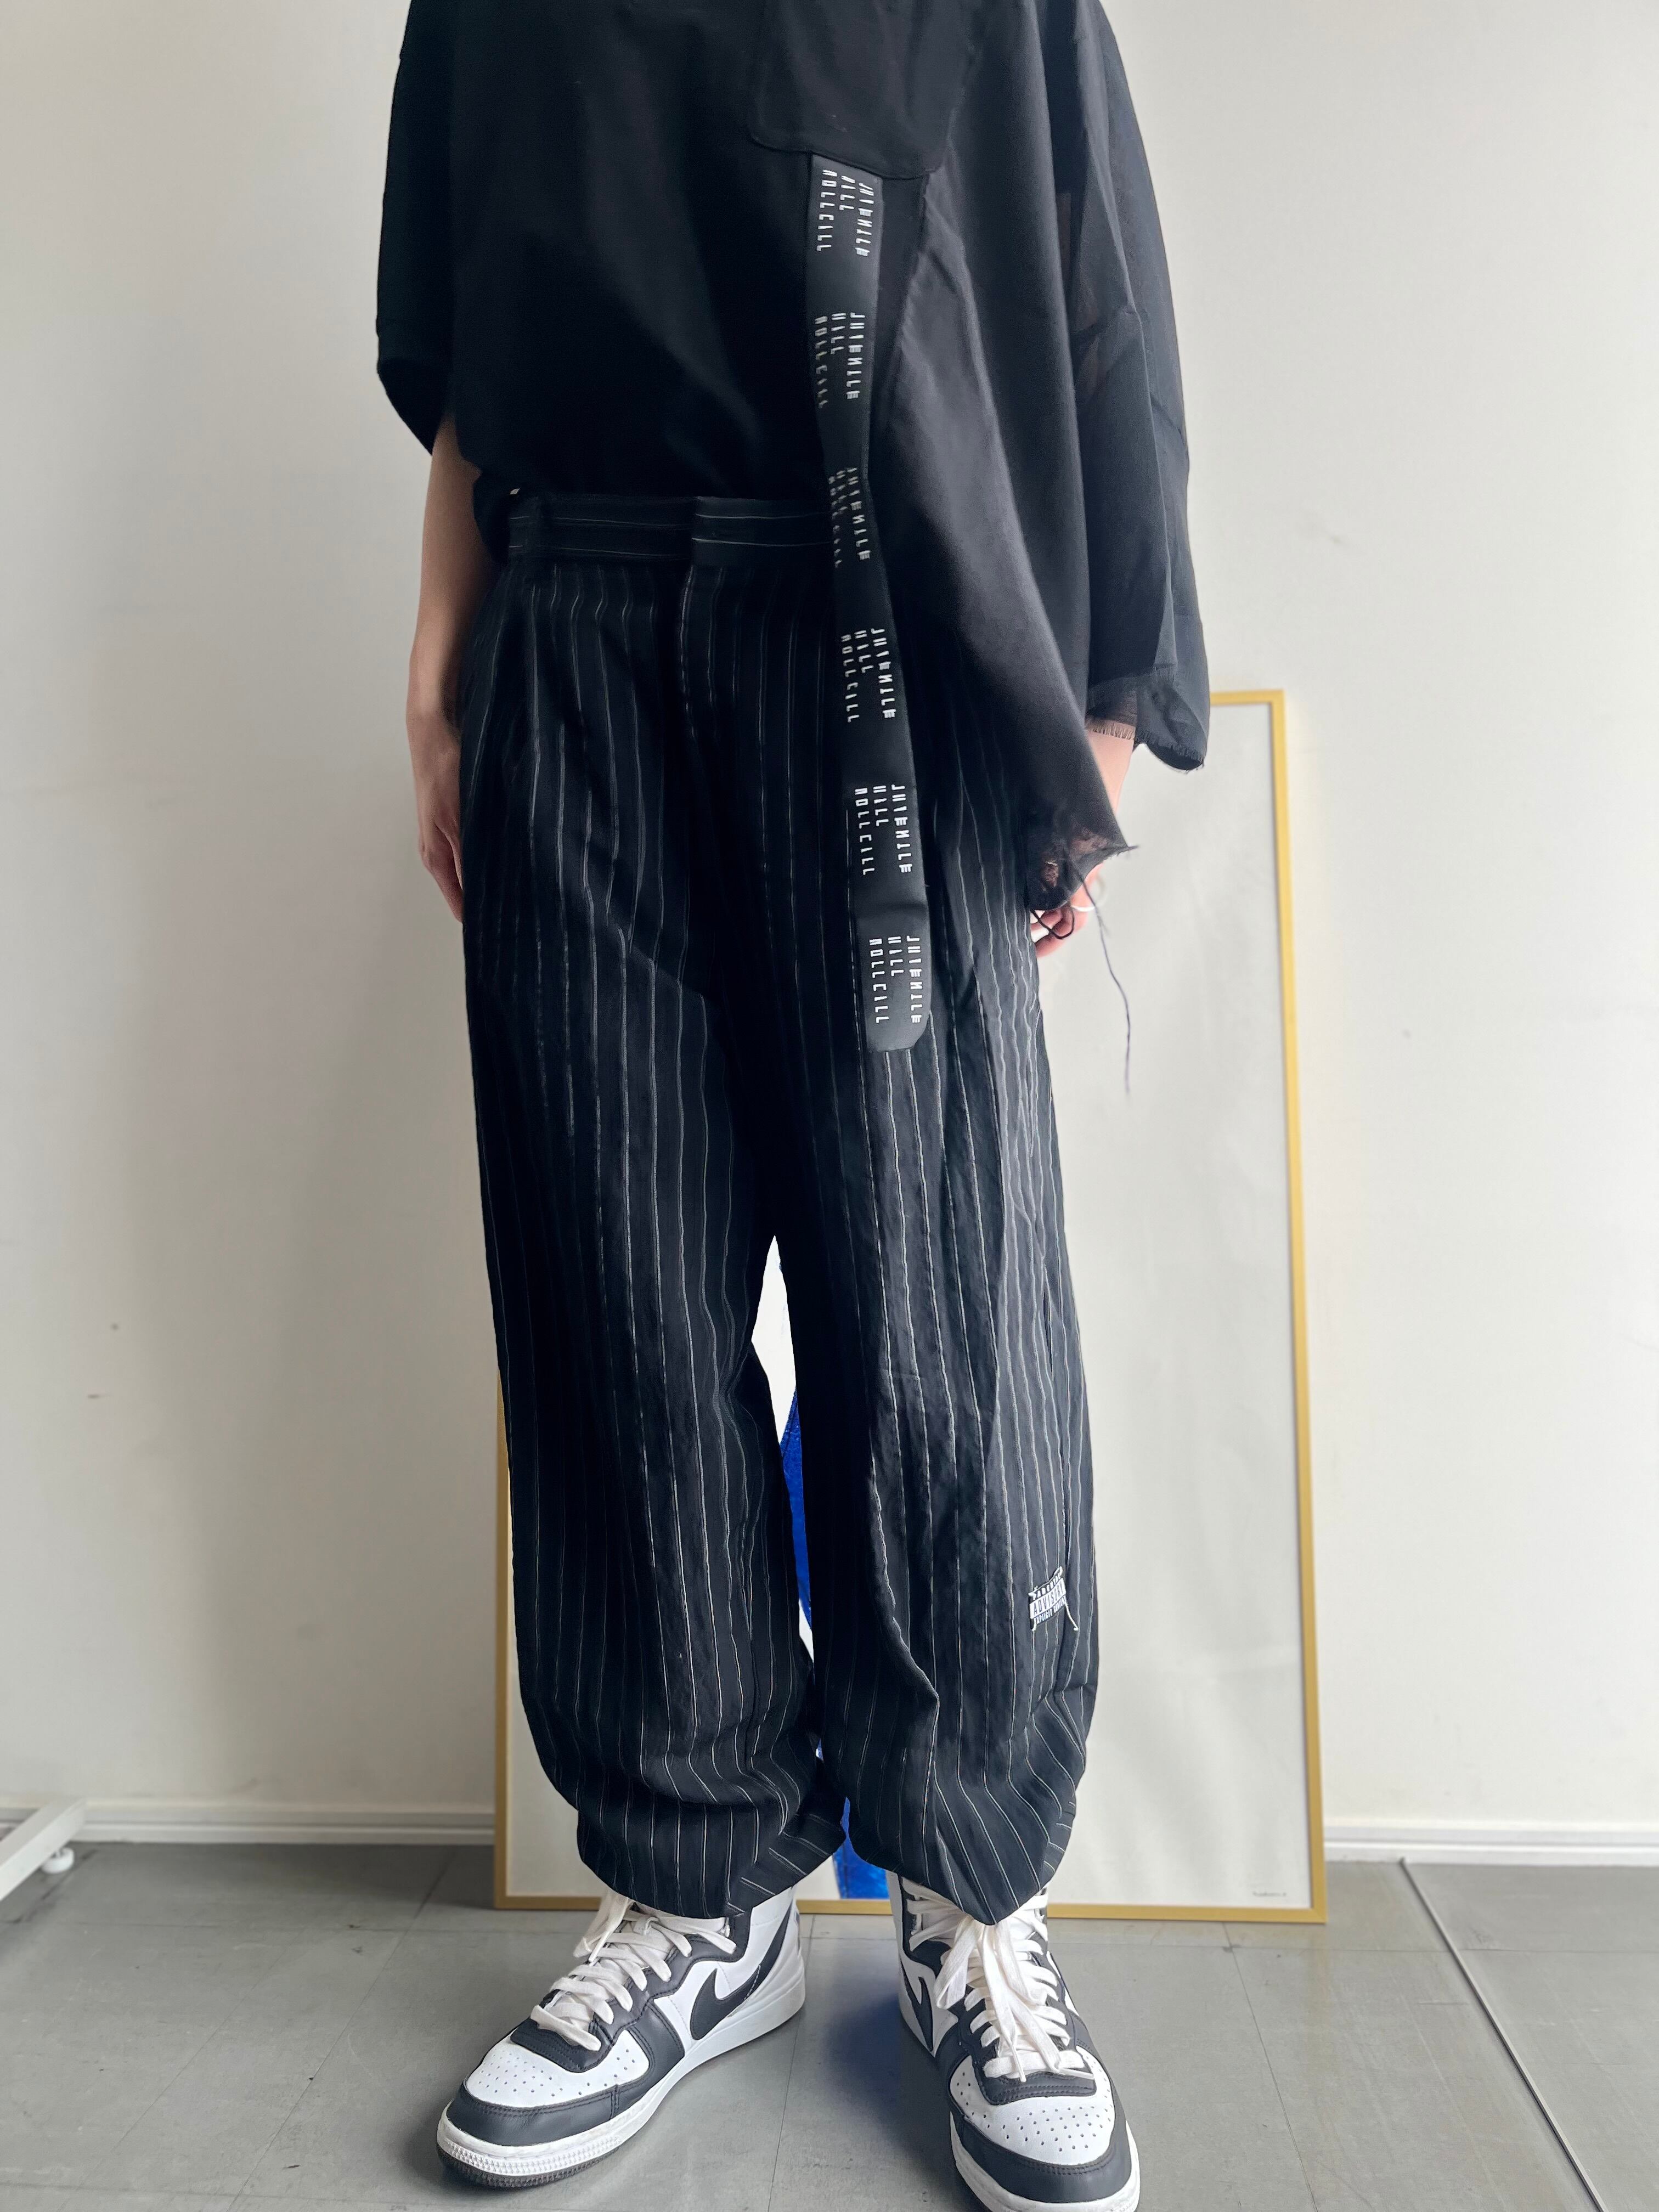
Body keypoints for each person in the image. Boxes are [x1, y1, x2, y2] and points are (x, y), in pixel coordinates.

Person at [377, 0, 1206, 2202]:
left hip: (882, 640)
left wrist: (1099, 707)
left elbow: (1095, 289)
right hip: (572, 618)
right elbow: (466, 316)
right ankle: (702, 1884)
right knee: (614, 1288)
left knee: (934, 1312)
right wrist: (445, 652)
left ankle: (967, 1899)